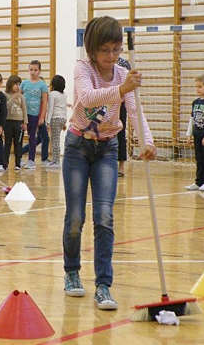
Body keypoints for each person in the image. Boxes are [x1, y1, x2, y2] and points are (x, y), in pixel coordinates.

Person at [62, 16, 157, 311]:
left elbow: (135, 110)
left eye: (116, 50)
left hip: (106, 150)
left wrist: (148, 140)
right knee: (76, 217)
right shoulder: (83, 68)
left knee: (104, 217)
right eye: (105, 50)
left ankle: (103, 285)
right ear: (92, 48)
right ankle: (72, 272)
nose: (111, 56)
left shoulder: (122, 74)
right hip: (78, 148)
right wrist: (123, 87)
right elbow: (89, 98)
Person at [21, 60, 49, 169]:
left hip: (34, 114)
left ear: (39, 71)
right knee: (20, 137)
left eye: (35, 70)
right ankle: (19, 158)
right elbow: (19, 97)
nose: (33, 72)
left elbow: (45, 101)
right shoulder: (24, 83)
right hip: (23, 114)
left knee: (32, 137)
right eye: (31, 70)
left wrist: (42, 116)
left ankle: (31, 160)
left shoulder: (42, 85)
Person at [4, 75, 28, 171]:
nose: (17, 86)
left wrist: (25, 122)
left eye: (19, 84)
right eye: (16, 84)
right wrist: (13, 98)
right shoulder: (5, 95)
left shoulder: (21, 96)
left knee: (18, 143)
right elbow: (6, 107)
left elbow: (24, 109)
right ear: (10, 84)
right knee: (7, 143)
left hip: (19, 122)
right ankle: (5, 162)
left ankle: (18, 163)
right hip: (8, 121)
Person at [46, 74, 68, 169]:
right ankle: (55, 160)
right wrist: (64, 122)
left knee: (54, 140)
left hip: (55, 118)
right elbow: (64, 108)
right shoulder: (64, 95)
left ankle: (56, 161)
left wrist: (47, 122)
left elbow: (50, 109)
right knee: (56, 139)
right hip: (62, 118)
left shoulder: (52, 94)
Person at [116, 57, 130, 177]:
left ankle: (121, 165)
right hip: (105, 101)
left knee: (120, 133)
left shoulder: (124, 64)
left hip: (121, 103)